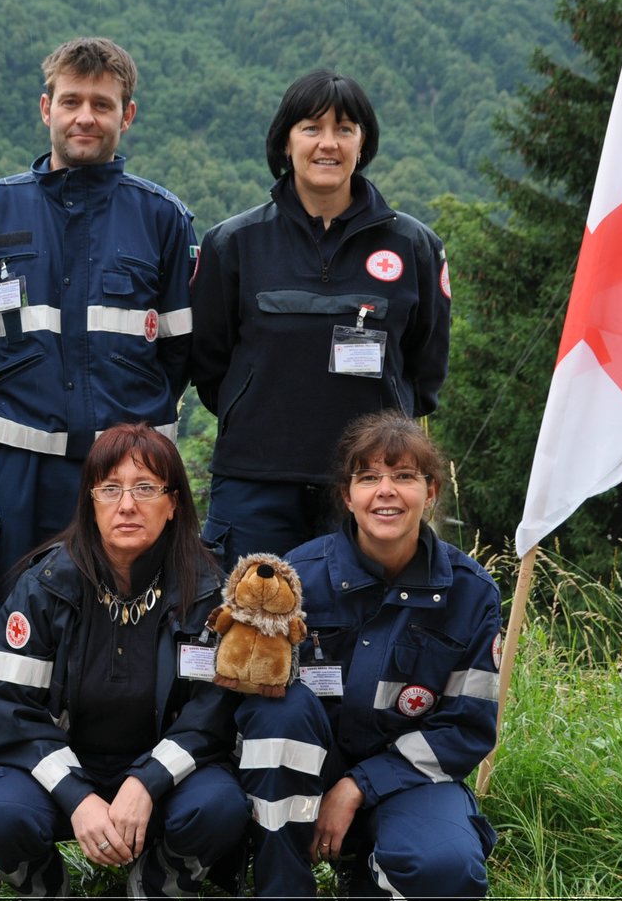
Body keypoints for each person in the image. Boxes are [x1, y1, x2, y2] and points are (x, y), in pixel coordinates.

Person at [0, 39, 197, 885]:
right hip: (20, 471)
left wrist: (118, 453)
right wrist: (32, 423)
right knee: (1, 635)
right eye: (69, 100)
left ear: (127, 115)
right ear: (43, 107)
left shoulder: (163, 219)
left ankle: (138, 821)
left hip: (121, 477)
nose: (83, 115)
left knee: (137, 635)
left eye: (101, 102)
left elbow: (180, 358)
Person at [0, 423, 247, 901]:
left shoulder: (208, 594)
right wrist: (76, 796)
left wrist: (147, 781)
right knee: (0, 814)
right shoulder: (45, 585)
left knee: (220, 807)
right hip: (60, 768)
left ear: (173, 503)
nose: (127, 504)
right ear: (90, 501)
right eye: (109, 488)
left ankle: (159, 888)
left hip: (165, 776)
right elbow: (4, 704)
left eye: (145, 488)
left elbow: (214, 714)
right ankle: (45, 891)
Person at [236, 412, 499, 901]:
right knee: (277, 710)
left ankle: (370, 890)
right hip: (303, 773)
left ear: (431, 491)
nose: (386, 492)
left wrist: (359, 785)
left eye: (403, 476)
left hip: (404, 782)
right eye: (368, 477)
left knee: (448, 870)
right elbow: (252, 703)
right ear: (347, 495)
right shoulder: (295, 578)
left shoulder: (471, 593)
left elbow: (466, 729)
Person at [190, 70, 451, 566]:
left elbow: (425, 364)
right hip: (255, 485)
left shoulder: (414, 247)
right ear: (285, 142)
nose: (327, 143)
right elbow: (209, 364)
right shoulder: (234, 243)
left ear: (362, 142)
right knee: (251, 628)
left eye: (344, 129)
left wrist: (382, 456)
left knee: (365, 631)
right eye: (311, 128)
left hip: (371, 485)